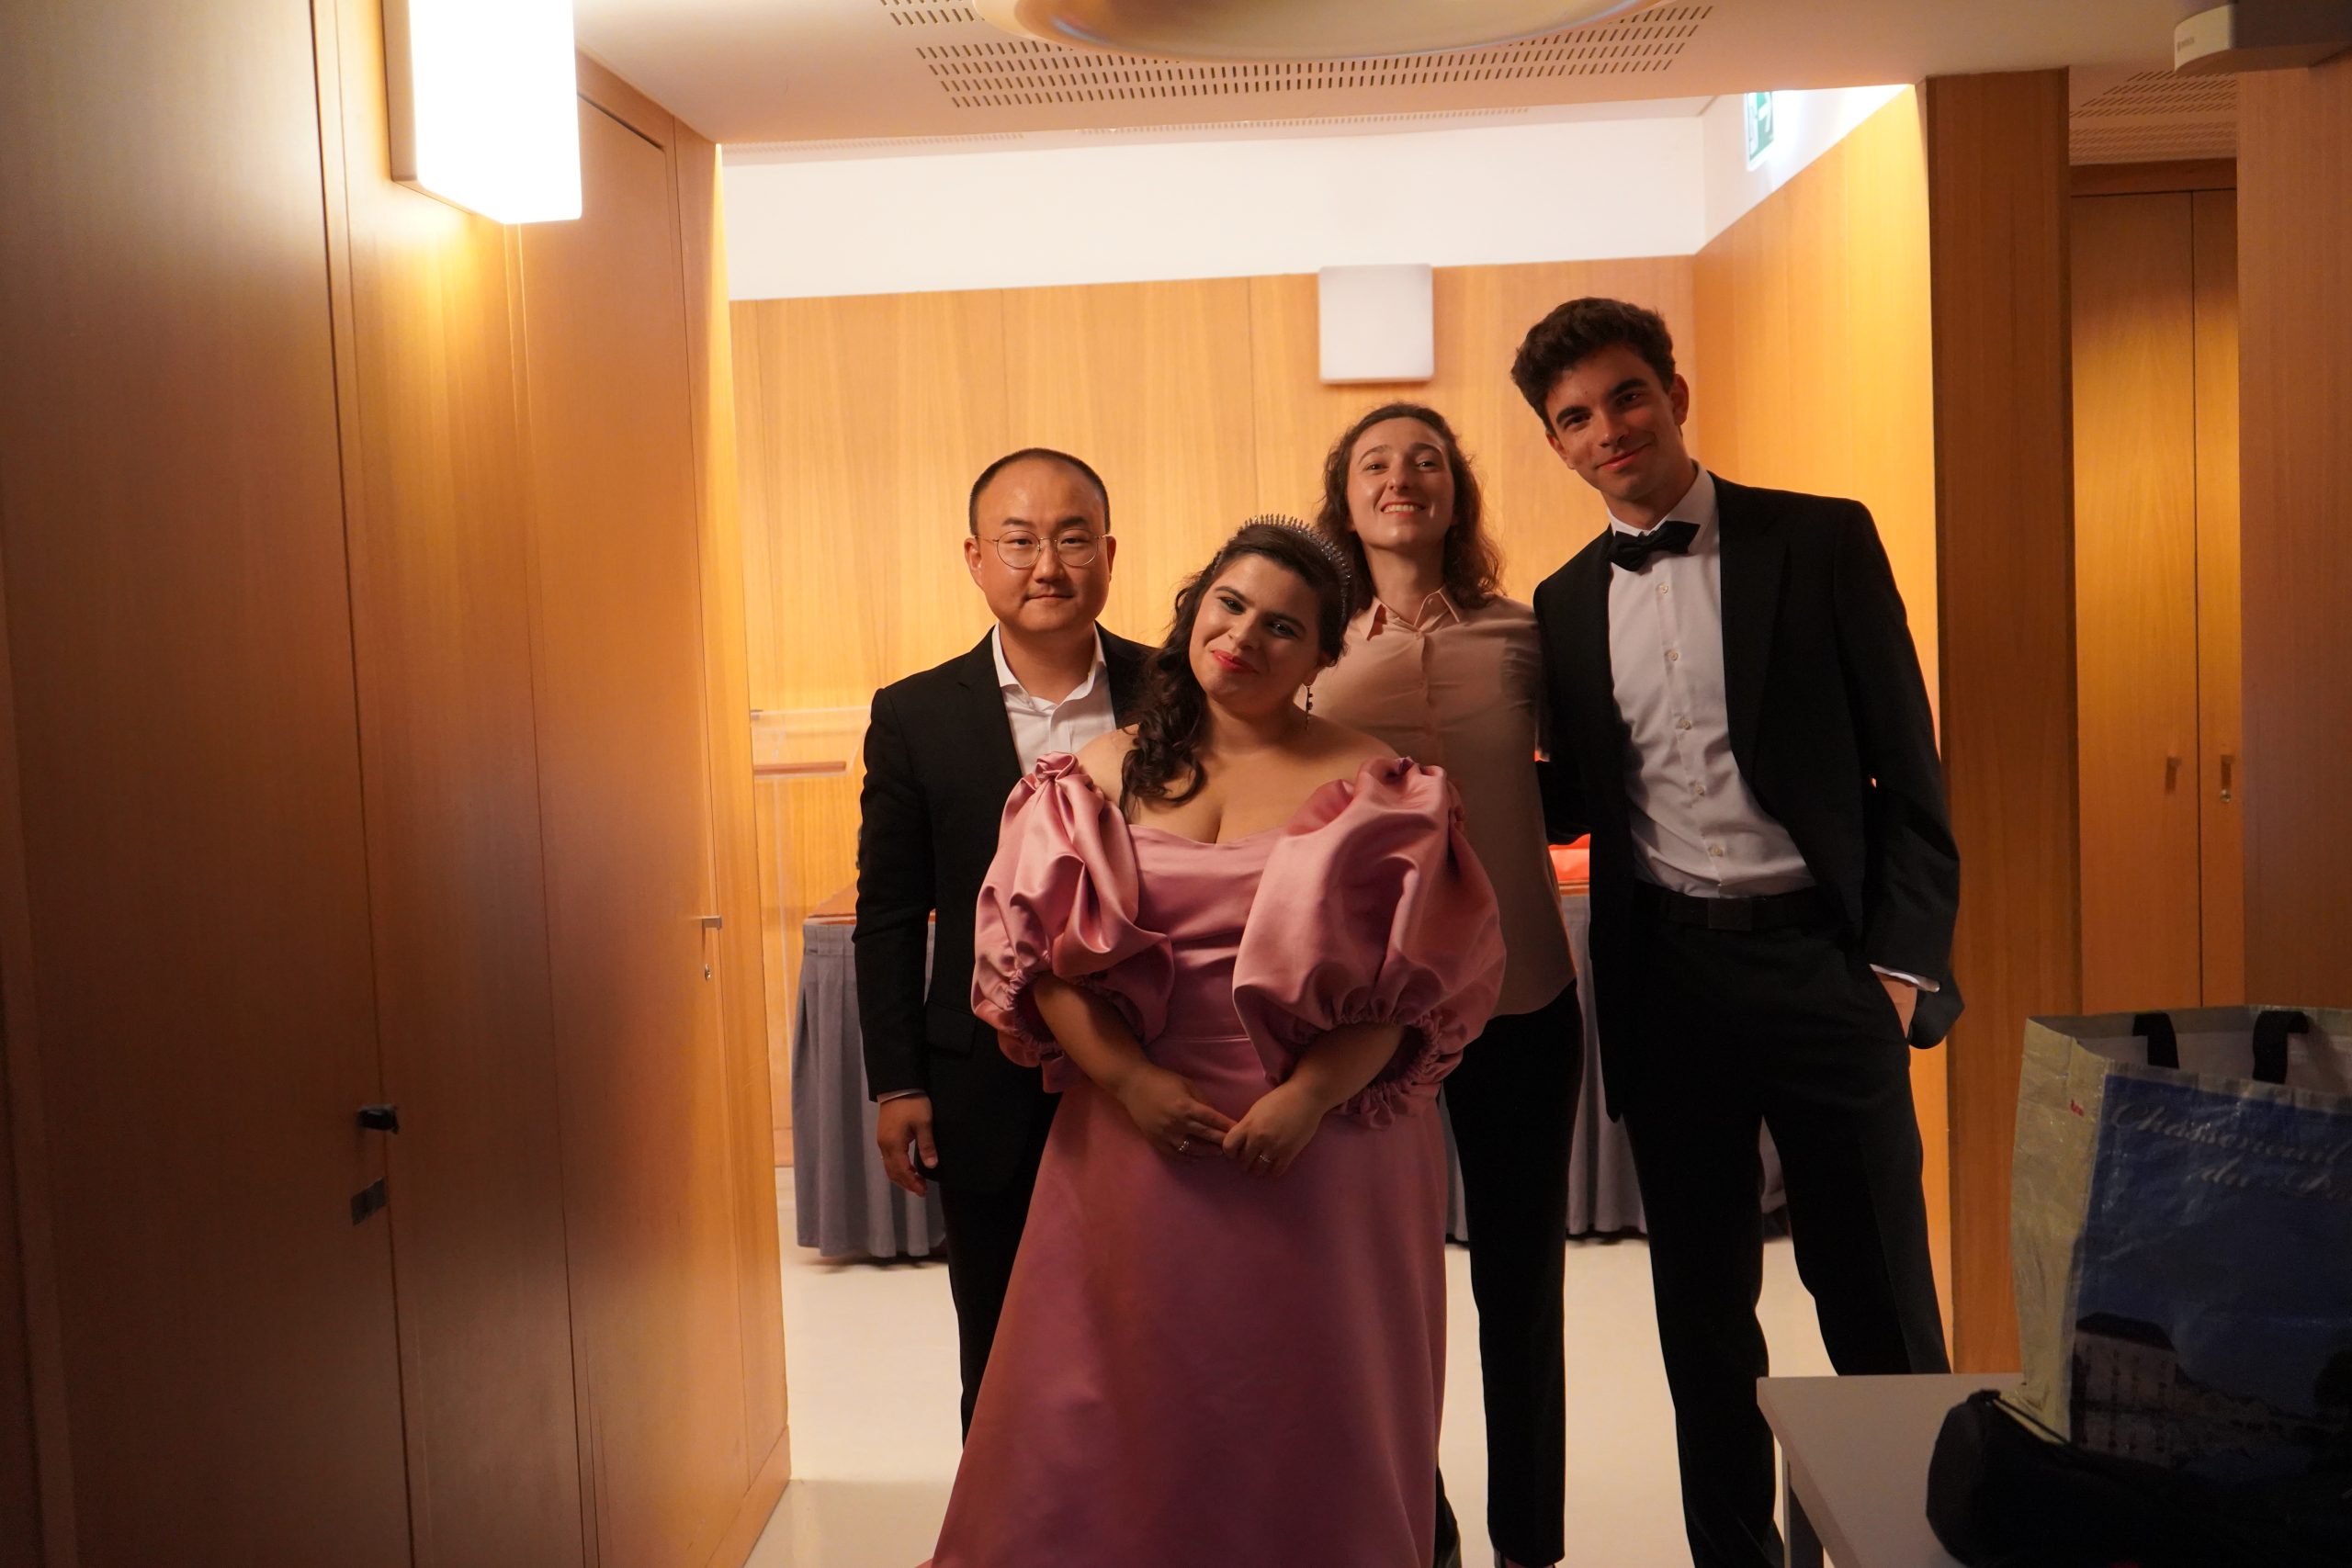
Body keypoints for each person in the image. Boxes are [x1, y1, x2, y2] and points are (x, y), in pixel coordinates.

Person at [921, 520, 1507, 1568]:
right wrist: (1130, 1080)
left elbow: (1415, 993)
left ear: (1321, 656)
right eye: (1229, 605)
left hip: (1329, 1152)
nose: (1243, 637)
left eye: (1283, 627)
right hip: (1134, 1139)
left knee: (1318, 1408)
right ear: (1194, 610)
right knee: (1118, 1410)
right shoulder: (1088, 777)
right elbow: (1039, 964)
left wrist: (1308, 1096)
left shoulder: (1386, 785)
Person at [1511, 297, 1961, 1568]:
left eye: (1626, 396)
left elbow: (1907, 773)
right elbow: (1572, 796)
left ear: (1675, 393)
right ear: (1556, 444)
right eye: (1576, 417)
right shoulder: (1560, 600)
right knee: (1702, 1317)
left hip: (1827, 965)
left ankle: (1912, 1540)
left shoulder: (1819, 539)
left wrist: (1894, 972)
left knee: (1877, 1295)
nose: (1608, 429)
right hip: (1670, 981)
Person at [1309, 403, 1581, 1568]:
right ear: (1344, 495)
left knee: (1521, 1289)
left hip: (1521, 997)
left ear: (1455, 490)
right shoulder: (1309, 645)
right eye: (1375, 463)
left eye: (1425, 460)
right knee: (1382, 1298)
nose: (1401, 478)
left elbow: (1585, 786)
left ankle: (1528, 1546)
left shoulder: (1527, 637)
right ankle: (1417, 1533)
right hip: (1370, 1020)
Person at [854, 447, 1150, 1435]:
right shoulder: (915, 714)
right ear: (976, 557)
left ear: (1109, 553)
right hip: (982, 1076)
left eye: (1072, 539)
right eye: (1019, 542)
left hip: (1154, 1062)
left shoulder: (1175, 691)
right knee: (1003, 1347)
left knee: (1153, 1335)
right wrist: (898, 1081)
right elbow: (891, 911)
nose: (1047, 567)